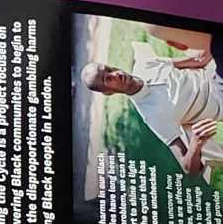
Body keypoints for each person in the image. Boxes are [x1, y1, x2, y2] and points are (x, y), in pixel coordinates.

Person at [80, 40, 222, 178]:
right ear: (108, 92)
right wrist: (195, 144)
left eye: (109, 69)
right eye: (108, 79)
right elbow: (188, 169)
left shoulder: (145, 64)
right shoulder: (152, 116)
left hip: (217, 73)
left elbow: (197, 62)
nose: (116, 74)